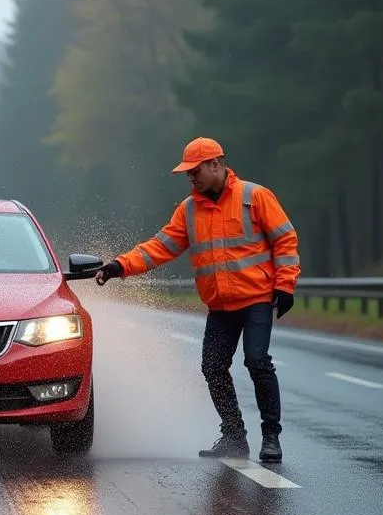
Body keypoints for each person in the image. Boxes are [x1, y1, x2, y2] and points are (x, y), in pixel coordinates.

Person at [94, 137, 300, 463]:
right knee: (212, 367)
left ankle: (271, 437)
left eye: (195, 170)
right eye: (187, 173)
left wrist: (285, 285)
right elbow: (159, 247)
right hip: (220, 305)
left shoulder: (254, 197)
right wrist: (120, 265)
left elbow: (285, 239)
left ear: (216, 164)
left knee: (257, 361)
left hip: (256, 299)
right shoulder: (189, 210)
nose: (191, 177)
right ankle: (234, 436)